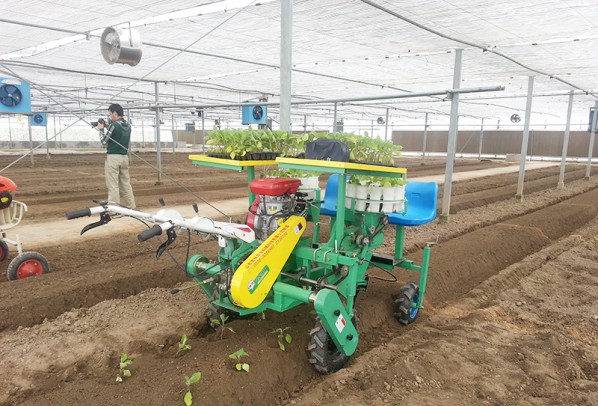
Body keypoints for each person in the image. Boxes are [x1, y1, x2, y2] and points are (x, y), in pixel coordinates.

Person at [97, 103, 136, 209]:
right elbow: (117, 132)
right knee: (126, 184)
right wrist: (107, 126)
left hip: (113, 158)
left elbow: (104, 141)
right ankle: (131, 207)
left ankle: (114, 209)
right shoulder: (127, 125)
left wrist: (101, 129)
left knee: (113, 185)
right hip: (124, 158)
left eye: (110, 114)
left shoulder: (114, 125)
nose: (110, 116)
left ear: (115, 112)